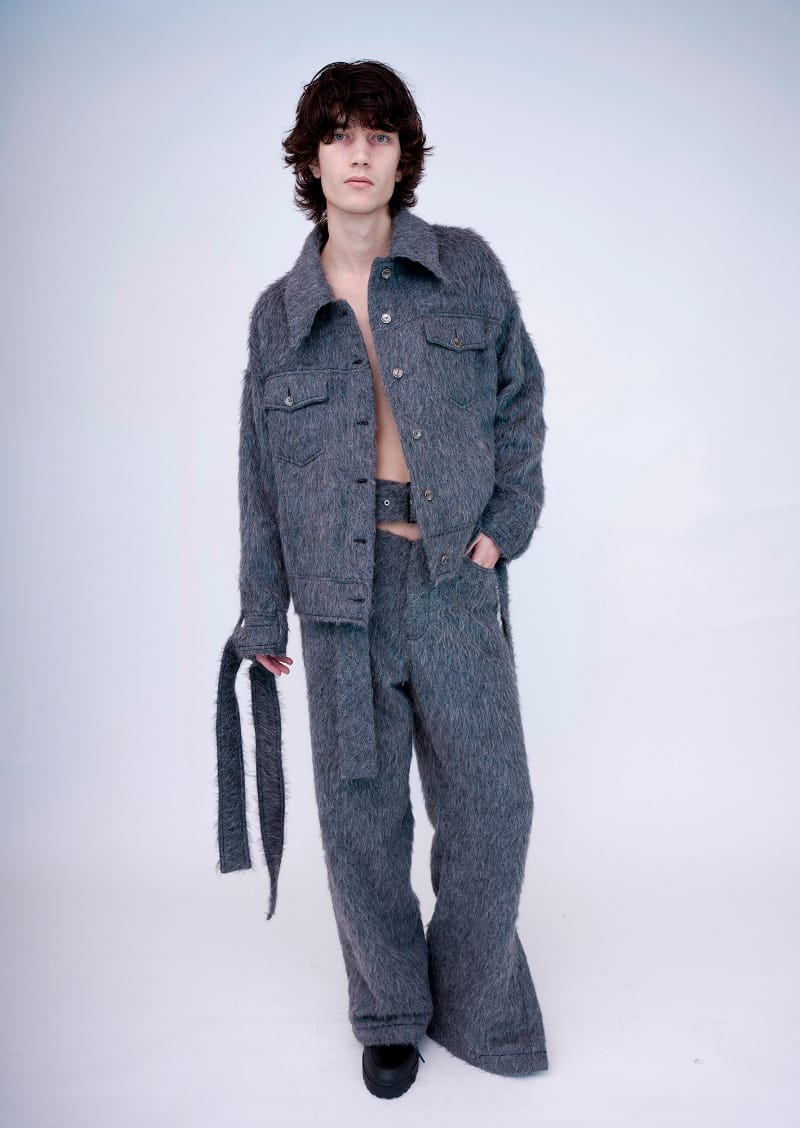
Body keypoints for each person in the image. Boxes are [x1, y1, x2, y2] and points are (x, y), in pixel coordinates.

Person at [214, 59, 549, 1099]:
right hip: (338, 597)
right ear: (310, 160)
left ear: (403, 158)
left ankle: (477, 1001)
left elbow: (520, 402)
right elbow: (259, 471)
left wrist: (501, 529)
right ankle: (391, 1010)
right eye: (339, 135)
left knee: (494, 806)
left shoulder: (465, 267)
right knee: (361, 819)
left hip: (452, 576)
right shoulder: (279, 314)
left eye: (379, 135)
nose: (358, 154)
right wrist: (262, 607)